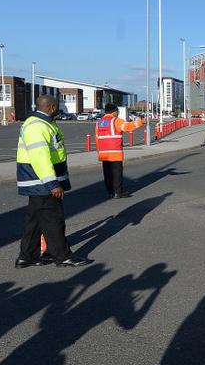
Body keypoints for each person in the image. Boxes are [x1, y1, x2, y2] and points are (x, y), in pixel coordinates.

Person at [15, 95, 91, 268]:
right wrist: (53, 184)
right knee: (53, 220)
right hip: (42, 183)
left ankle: (27, 256)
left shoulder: (43, 123)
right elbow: (40, 157)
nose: (59, 109)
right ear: (51, 107)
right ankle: (62, 256)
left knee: (35, 221)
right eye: (57, 106)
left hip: (39, 182)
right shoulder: (37, 126)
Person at [95, 103, 144, 198]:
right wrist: (140, 121)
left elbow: (97, 138)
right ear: (114, 112)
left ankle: (110, 192)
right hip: (115, 153)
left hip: (104, 154)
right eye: (118, 111)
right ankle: (118, 192)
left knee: (107, 174)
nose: (118, 113)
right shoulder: (116, 120)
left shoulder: (99, 122)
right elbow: (128, 127)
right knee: (116, 173)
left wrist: (99, 151)